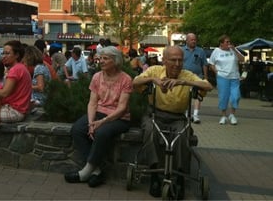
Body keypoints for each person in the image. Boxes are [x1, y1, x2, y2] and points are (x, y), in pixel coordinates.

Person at [132, 46, 213, 197]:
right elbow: (134, 82)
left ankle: (180, 178)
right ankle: (155, 177)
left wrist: (183, 83)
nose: (177, 64)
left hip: (178, 117)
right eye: (173, 60)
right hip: (154, 114)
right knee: (150, 132)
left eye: (180, 60)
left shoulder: (186, 75)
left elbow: (208, 86)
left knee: (183, 136)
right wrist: (152, 79)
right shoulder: (155, 70)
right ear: (164, 60)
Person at [64, 46, 132, 188]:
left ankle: (86, 172)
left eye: (105, 58)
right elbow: (92, 102)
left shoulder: (126, 79)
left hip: (118, 117)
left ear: (116, 60)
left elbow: (122, 108)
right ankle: (96, 171)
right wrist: (90, 122)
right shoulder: (96, 76)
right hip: (100, 112)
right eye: (100, 58)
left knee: (101, 132)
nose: (101, 61)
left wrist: (102, 122)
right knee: (77, 129)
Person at [209, 34, 244, 125]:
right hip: (222, 77)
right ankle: (223, 116)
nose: (229, 43)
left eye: (229, 41)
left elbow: (242, 59)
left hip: (235, 77)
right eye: (227, 42)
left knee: (236, 96)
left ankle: (232, 115)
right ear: (221, 43)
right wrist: (217, 72)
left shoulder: (233, 51)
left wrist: (235, 49)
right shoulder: (216, 51)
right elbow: (211, 64)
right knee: (223, 97)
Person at [181, 33, 208, 123]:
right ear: (187, 40)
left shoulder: (200, 51)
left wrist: (205, 78)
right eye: (192, 40)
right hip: (185, 77)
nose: (194, 41)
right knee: (185, 96)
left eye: (195, 40)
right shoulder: (181, 50)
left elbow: (204, 64)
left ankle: (195, 115)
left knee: (198, 96)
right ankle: (185, 114)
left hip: (198, 77)